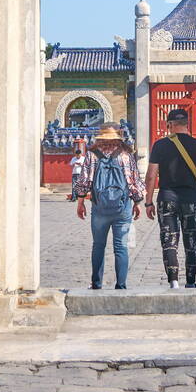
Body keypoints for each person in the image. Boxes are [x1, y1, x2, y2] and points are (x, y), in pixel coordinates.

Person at [145, 108, 196, 288]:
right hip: (191, 199)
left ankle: (173, 281)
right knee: (192, 241)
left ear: (170, 125)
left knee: (169, 240)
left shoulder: (160, 145)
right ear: (186, 124)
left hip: (167, 198)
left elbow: (151, 176)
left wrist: (148, 201)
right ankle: (191, 281)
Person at [73, 123, 143, 290]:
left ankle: (96, 283)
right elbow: (134, 182)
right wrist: (138, 202)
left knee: (98, 245)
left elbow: (84, 181)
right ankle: (121, 284)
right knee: (120, 246)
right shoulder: (126, 155)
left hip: (99, 208)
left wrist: (81, 202)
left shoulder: (91, 155)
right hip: (122, 207)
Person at [67, 137, 86, 201]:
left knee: (80, 186)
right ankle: (74, 198)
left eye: (78, 155)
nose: (77, 156)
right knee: (74, 186)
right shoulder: (74, 158)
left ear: (80, 154)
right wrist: (74, 163)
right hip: (74, 173)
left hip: (80, 174)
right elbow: (70, 164)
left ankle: (80, 197)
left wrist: (80, 164)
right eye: (77, 155)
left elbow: (85, 165)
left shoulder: (83, 158)